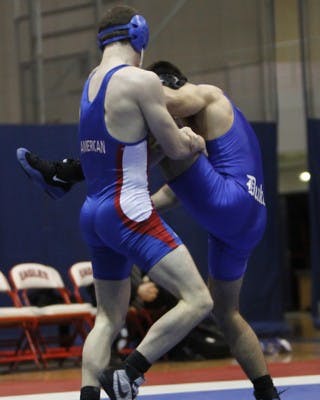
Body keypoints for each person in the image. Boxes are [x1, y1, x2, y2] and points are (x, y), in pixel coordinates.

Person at [15, 62, 281, 400]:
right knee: (227, 313)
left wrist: (138, 89)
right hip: (244, 221)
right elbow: (181, 190)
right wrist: (134, 203)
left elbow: (159, 108)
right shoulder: (208, 138)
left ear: (168, 83)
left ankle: (65, 173)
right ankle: (267, 391)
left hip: (231, 202)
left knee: (151, 123)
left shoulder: (207, 95)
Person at [21, 6, 214, 400]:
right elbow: (176, 148)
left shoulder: (91, 83)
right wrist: (193, 141)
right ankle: (128, 372)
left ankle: (90, 395)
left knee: (107, 317)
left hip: (94, 213)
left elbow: (126, 154)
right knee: (199, 300)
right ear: (139, 37)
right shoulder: (140, 81)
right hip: (129, 210)